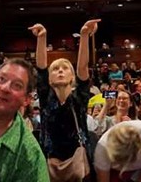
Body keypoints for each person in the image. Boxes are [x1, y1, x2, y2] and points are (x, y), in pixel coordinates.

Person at [30, 19, 100, 181]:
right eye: (55, 69)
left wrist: (84, 36)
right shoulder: (46, 97)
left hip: (78, 164)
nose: (60, 71)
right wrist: (42, 37)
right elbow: (41, 67)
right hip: (49, 164)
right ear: (49, 78)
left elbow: (82, 67)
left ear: (72, 77)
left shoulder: (79, 97)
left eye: (65, 68)